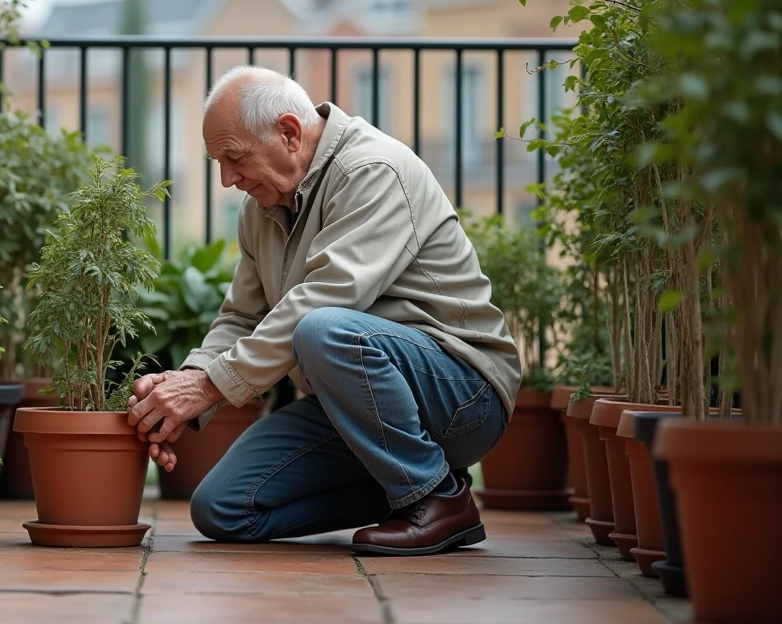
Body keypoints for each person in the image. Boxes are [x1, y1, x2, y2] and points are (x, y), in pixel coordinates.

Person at [125, 65, 521, 556]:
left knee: (322, 328)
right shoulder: (261, 208)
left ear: (289, 133)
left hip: (463, 393)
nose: (227, 179)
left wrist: (207, 389)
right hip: (358, 406)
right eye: (217, 162)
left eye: (234, 157)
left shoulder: (373, 170)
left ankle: (436, 498)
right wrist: (185, 382)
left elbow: (327, 299)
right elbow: (242, 317)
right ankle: (417, 477)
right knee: (222, 507)